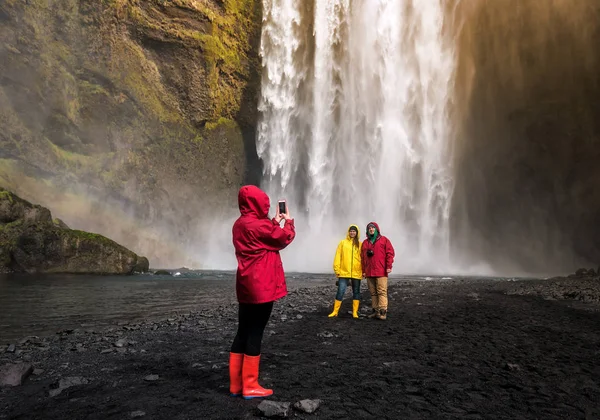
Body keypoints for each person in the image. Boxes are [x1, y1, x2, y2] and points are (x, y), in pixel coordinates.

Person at [229, 185, 295, 399]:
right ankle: (251, 385)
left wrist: (274, 221)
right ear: (258, 203)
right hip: (263, 286)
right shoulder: (259, 226)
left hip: (246, 285)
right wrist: (289, 221)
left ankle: (236, 385)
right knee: (256, 332)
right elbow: (282, 238)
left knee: (242, 331)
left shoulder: (239, 224)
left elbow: (263, 235)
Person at [361, 222, 395, 320]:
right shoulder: (365, 243)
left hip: (381, 270)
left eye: (373, 228)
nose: (371, 229)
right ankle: (375, 311)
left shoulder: (384, 240)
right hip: (369, 271)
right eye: (369, 228)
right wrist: (364, 270)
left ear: (377, 229)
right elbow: (362, 258)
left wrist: (389, 266)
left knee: (382, 291)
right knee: (373, 292)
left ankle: (383, 312)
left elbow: (390, 253)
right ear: (367, 230)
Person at [328, 224, 363, 319]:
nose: (352, 232)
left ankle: (355, 312)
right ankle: (335, 311)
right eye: (351, 231)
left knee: (356, 292)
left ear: (357, 233)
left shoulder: (360, 244)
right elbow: (338, 257)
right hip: (344, 272)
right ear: (348, 232)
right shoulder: (342, 243)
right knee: (340, 291)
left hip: (356, 272)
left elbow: (363, 258)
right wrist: (337, 269)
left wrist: (363, 271)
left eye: (354, 231)